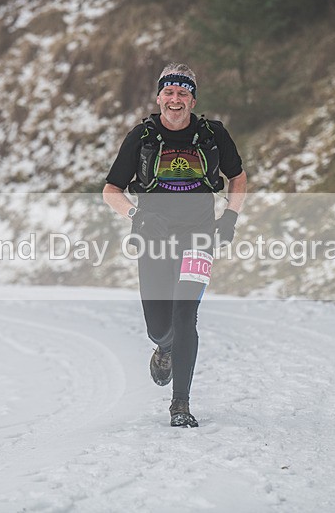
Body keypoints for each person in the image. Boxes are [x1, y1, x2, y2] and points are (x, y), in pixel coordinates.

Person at [102, 62, 247, 427]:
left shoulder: (212, 134)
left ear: (193, 100)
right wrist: (137, 215)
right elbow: (111, 190)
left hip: (199, 236)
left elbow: (238, 176)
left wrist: (229, 217)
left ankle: (180, 404)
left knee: (185, 314)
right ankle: (163, 347)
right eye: (169, 92)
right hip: (153, 238)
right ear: (159, 97)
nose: (176, 99)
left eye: (183, 93)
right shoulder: (142, 136)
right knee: (158, 326)